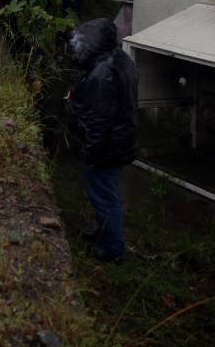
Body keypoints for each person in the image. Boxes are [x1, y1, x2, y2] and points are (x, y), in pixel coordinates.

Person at [67, 17, 138, 262]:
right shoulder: (119, 60)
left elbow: (99, 120)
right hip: (116, 144)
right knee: (104, 192)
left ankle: (112, 249)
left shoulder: (103, 73)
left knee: (105, 195)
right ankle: (103, 232)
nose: (78, 48)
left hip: (105, 148)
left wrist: (91, 151)